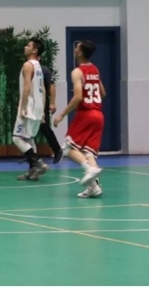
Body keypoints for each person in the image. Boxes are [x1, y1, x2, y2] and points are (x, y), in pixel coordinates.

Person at [53, 40, 104, 197]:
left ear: (80, 52)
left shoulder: (77, 72)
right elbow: (102, 93)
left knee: (67, 148)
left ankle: (89, 169)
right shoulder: (95, 69)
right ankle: (94, 187)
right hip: (99, 115)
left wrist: (61, 115)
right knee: (88, 152)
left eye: (77, 47)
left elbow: (78, 97)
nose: (75, 49)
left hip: (86, 114)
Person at [14, 38, 49, 181]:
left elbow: (27, 87)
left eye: (28, 45)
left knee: (17, 138)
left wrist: (23, 107)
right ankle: (32, 171)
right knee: (29, 138)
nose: (25, 47)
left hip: (29, 106)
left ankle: (37, 163)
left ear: (35, 50)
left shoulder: (28, 65)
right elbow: (43, 89)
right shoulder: (38, 66)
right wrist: (43, 111)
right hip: (38, 106)